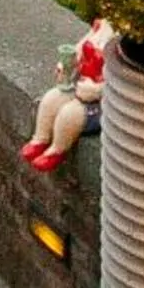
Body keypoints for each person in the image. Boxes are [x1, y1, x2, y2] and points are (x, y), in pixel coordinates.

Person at [23, 14, 113, 171]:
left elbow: (123, 82)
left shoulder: (124, 46)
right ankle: (40, 138)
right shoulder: (102, 28)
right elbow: (81, 47)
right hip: (80, 84)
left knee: (69, 114)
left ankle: (57, 149)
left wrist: (98, 91)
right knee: (52, 99)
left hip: (102, 102)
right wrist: (69, 62)